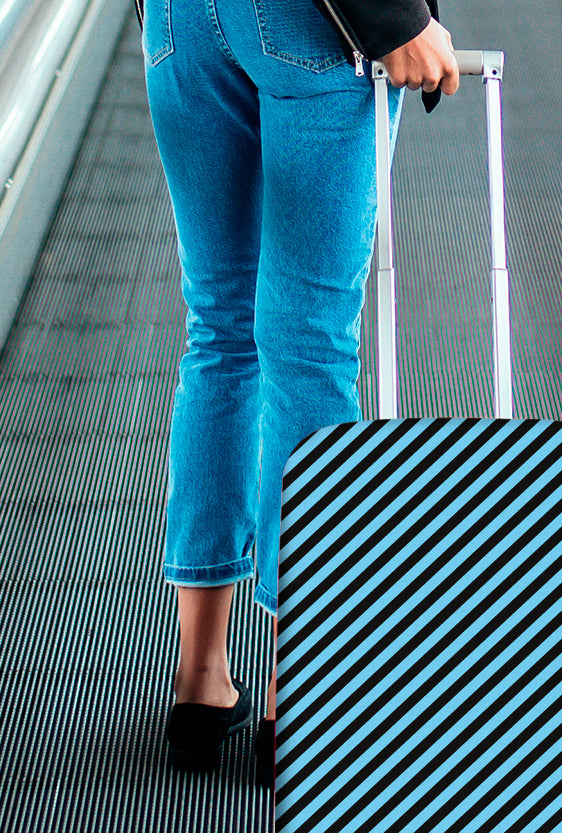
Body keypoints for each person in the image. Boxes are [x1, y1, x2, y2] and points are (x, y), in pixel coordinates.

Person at [142, 0, 459, 778]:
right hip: (312, 28)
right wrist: (394, 18)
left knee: (218, 332)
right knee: (308, 346)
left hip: (180, 24)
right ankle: (301, 697)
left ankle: (201, 680)